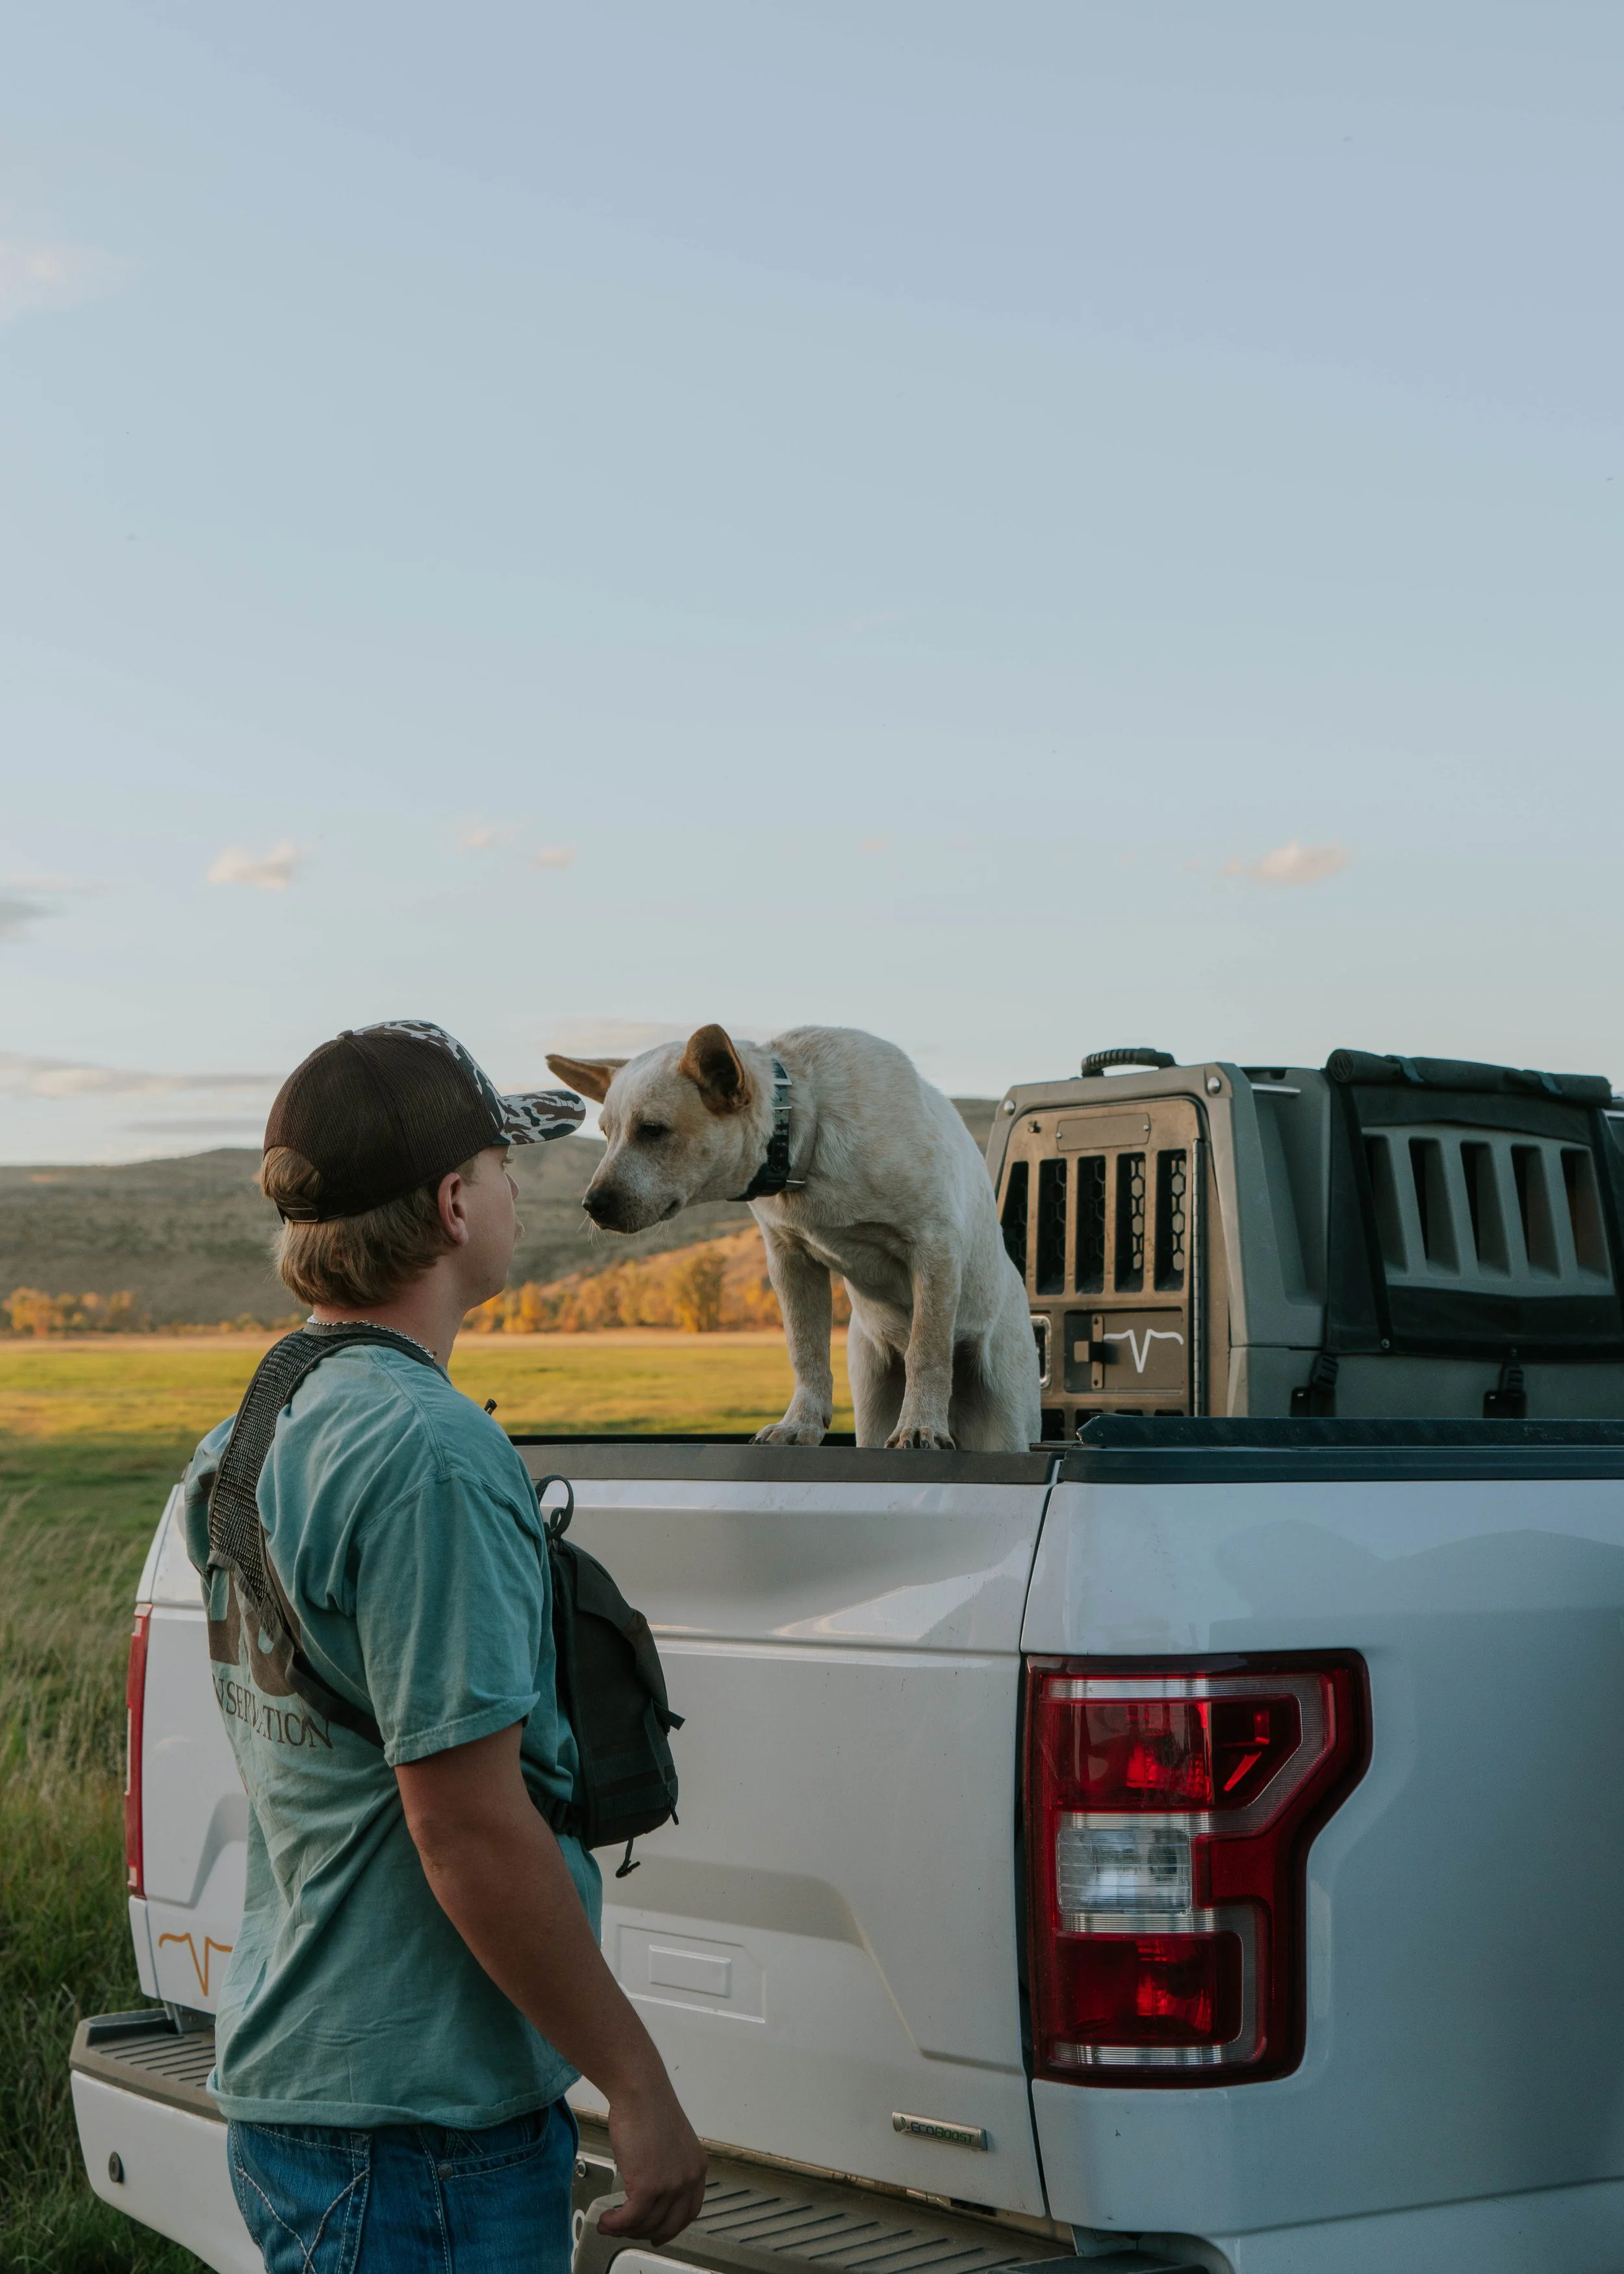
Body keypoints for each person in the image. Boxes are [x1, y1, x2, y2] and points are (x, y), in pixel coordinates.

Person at [183, 1020, 707, 2274]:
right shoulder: (425, 1454)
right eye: (501, 1166)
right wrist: (636, 2087)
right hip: (416, 2136)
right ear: (452, 1201)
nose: (519, 1193)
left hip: (305, 2086)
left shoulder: (255, 1423)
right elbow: (463, 1825)